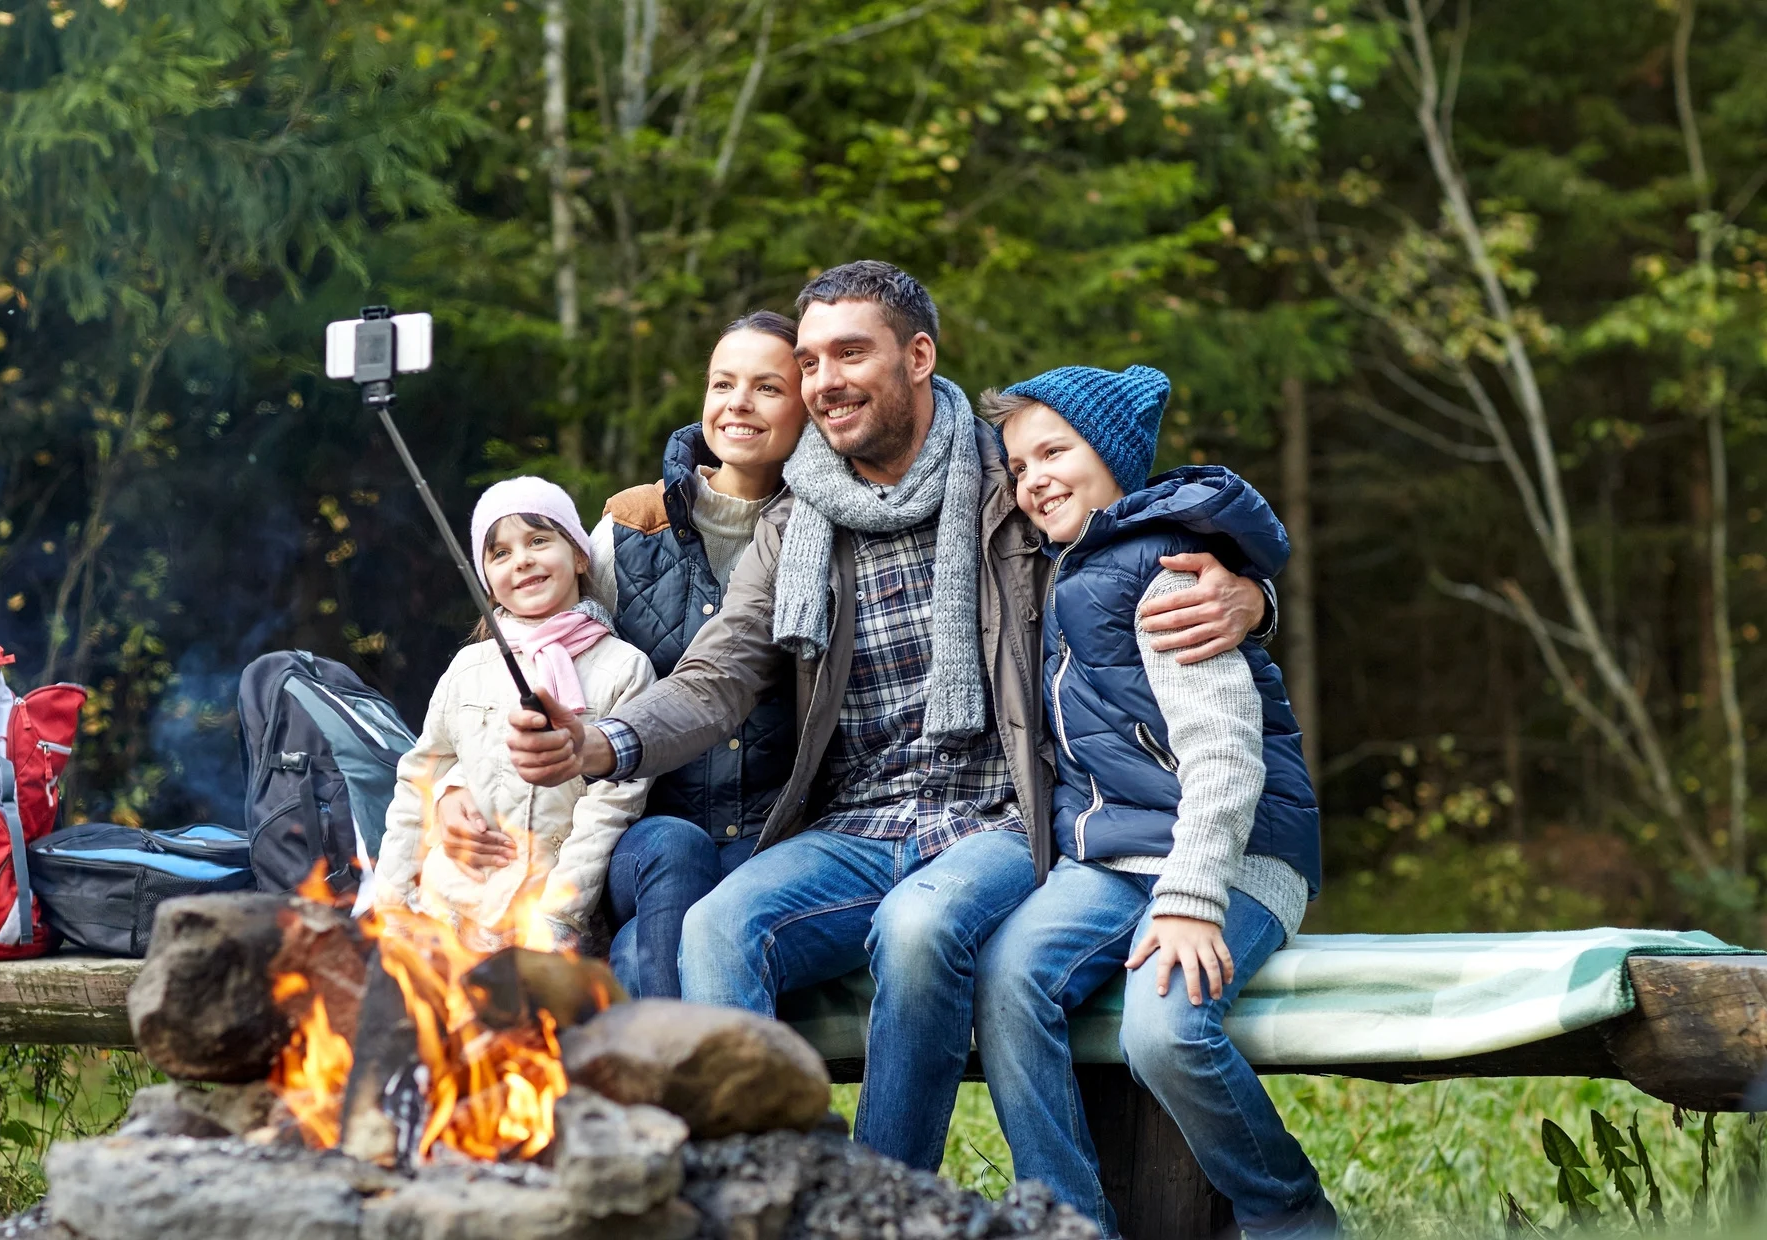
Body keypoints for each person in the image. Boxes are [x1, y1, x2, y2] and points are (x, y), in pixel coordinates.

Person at [505, 260, 1277, 1170]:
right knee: (718, 925)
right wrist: (604, 740)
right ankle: (778, 1187)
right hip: (859, 821)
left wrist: (1251, 590)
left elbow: (1141, 526)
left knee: (915, 932)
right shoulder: (797, 525)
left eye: (850, 353)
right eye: (812, 360)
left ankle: (882, 1199)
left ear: (917, 356)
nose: (825, 379)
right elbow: (717, 674)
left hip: (1006, 814)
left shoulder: (1009, 479)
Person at [977, 367, 1332, 1237]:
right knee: (1007, 980)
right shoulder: (1068, 569)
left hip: (1232, 857)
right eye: (1019, 466)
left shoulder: (1169, 577)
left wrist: (1188, 899)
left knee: (1165, 1033)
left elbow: (1223, 758)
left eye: (1056, 451)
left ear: (1115, 456)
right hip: (1113, 859)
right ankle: (1067, 1221)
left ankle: (1289, 1217)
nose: (1035, 479)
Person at [431, 311, 809, 997]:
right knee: (670, 850)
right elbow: (524, 651)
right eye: (722, 383)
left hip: (773, 838)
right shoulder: (633, 526)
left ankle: (666, 1090)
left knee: (639, 961)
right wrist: (449, 789)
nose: (738, 404)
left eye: (767, 387)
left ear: (807, 404)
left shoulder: (825, 534)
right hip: (639, 837)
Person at [372, 477, 654, 952]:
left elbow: (612, 805)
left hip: (541, 920)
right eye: (499, 553)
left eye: (539, 540)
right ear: (486, 580)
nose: (521, 559)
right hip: (446, 913)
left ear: (580, 556)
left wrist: (560, 916)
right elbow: (418, 781)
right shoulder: (469, 666)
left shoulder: (626, 668)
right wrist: (391, 906)